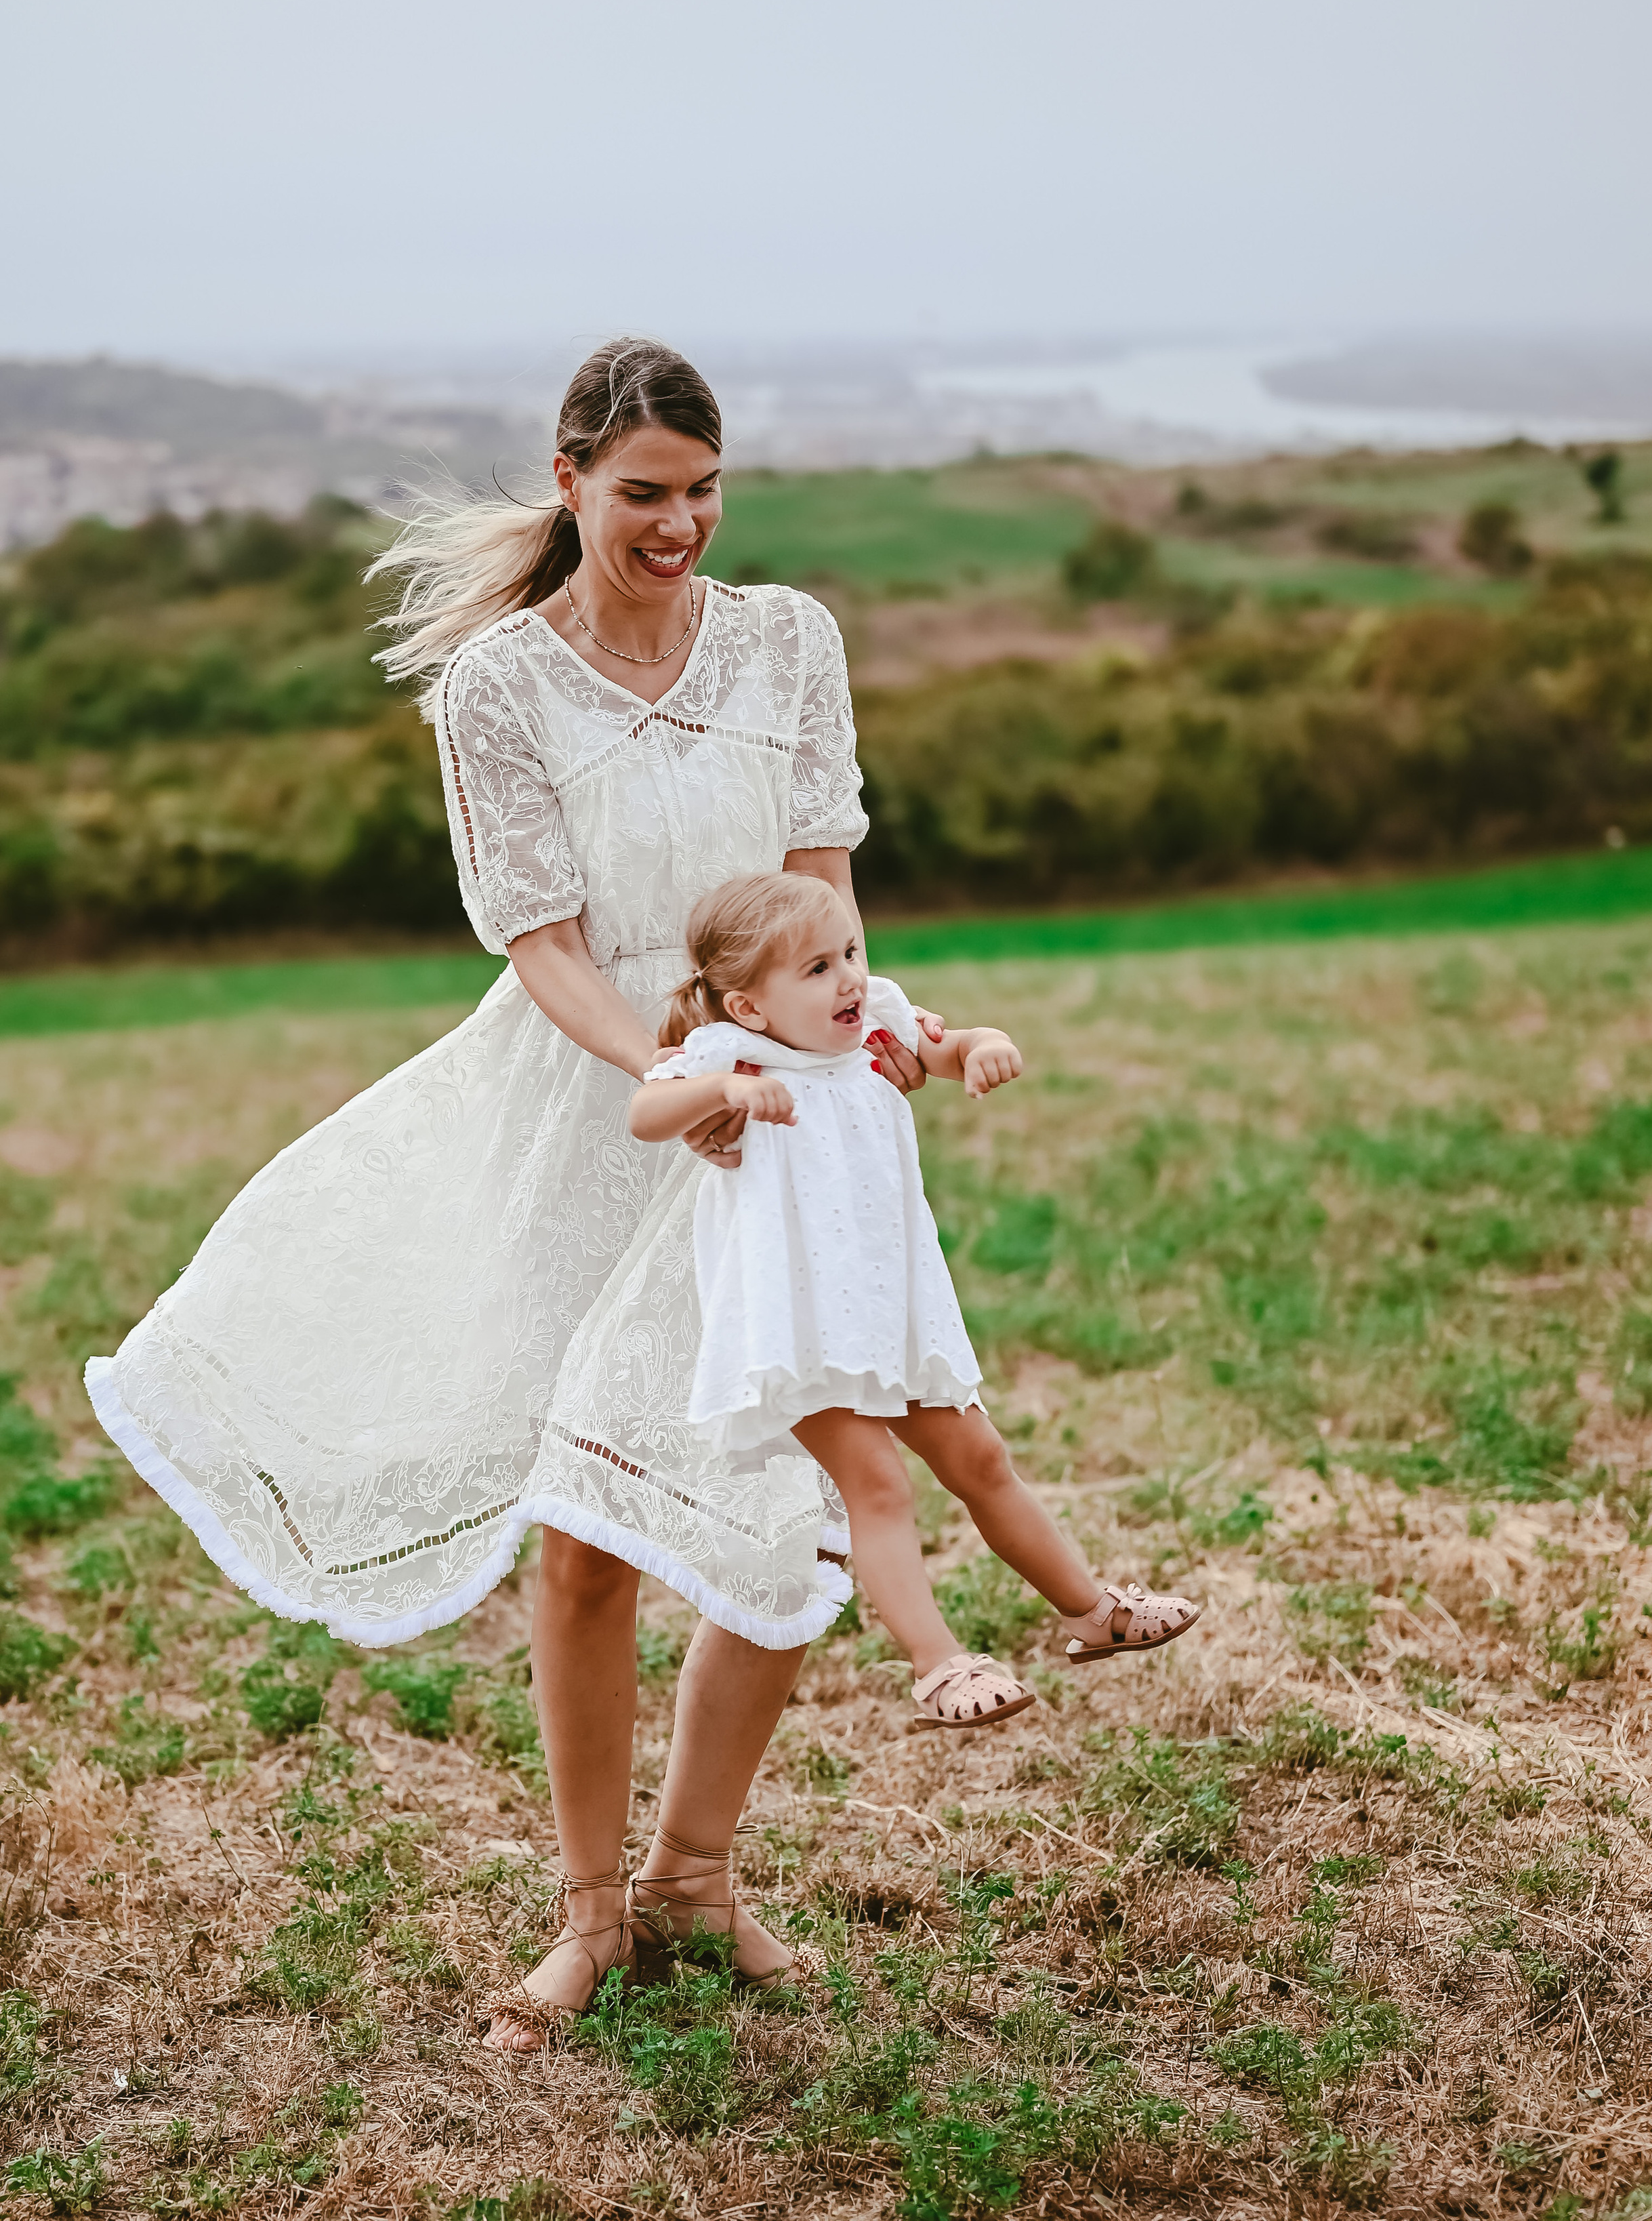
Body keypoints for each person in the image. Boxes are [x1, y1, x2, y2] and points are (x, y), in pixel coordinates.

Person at [85, 337, 939, 2050]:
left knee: (793, 1503)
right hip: (590, 1110)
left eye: (703, 490)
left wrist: (868, 1025)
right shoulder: (497, 686)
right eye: (643, 494)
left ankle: (699, 1871)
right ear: (569, 483)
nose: (679, 523)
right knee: (585, 1539)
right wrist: (663, 1073)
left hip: (777, 1109)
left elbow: (820, 875)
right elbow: (539, 939)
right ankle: (592, 1910)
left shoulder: (789, 640)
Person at [629, 870, 1202, 1734]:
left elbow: (947, 1042)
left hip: (892, 1307)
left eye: (850, 953)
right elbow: (646, 1111)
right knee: (880, 1486)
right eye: (817, 969)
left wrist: (981, 1045)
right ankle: (938, 1666)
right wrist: (723, 1093)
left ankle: (1093, 1611)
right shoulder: (732, 1057)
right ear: (748, 1008)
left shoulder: (877, 1026)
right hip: (799, 1325)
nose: (850, 978)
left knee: (980, 1459)